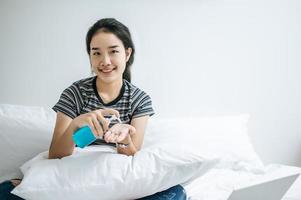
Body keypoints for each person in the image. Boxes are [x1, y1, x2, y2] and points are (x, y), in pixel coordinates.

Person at [0, 18, 186, 200]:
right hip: (71, 177)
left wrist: (124, 137)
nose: (105, 61)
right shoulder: (75, 93)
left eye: (113, 51)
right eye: (96, 53)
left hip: (116, 178)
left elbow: (132, 157)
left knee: (176, 192)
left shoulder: (139, 99)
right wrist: (75, 125)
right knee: (8, 190)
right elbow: (56, 154)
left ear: (127, 54)